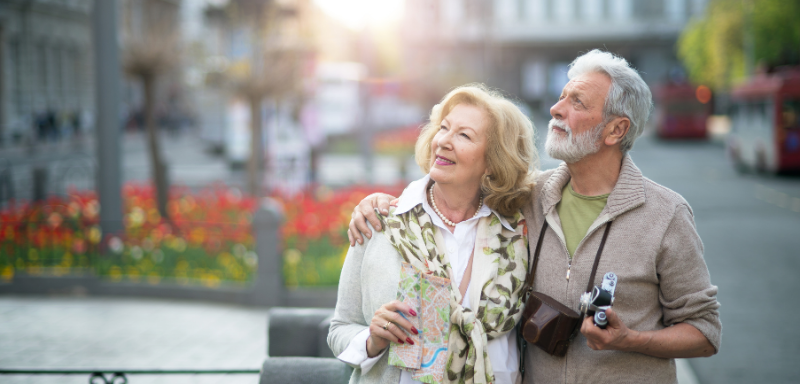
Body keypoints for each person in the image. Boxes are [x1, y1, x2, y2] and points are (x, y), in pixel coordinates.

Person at [347, 50, 722, 383]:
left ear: (616, 129)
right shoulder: (526, 197)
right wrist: (382, 202)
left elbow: (705, 333)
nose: (556, 110)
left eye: (577, 102)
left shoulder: (666, 215)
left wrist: (630, 340)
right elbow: (454, 187)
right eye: (561, 97)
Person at [328, 84, 538, 384]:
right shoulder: (381, 223)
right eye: (444, 128)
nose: (443, 141)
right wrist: (371, 339)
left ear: (493, 161)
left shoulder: (518, 232)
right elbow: (340, 327)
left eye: (464, 135)